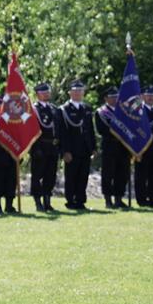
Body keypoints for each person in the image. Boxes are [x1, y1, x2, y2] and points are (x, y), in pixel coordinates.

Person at [60, 81, 97, 210]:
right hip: (72, 149)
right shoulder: (64, 109)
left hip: (85, 148)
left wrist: (93, 147)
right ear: (69, 93)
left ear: (83, 93)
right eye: (75, 91)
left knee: (83, 176)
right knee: (71, 176)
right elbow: (62, 132)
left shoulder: (87, 108)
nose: (77, 93)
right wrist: (64, 151)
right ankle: (70, 201)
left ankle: (80, 201)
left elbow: (90, 129)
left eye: (80, 91)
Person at [30, 83, 62, 211]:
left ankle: (47, 200)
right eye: (43, 92)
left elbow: (59, 129)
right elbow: (31, 130)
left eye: (47, 92)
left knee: (50, 175)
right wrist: (35, 148)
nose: (46, 94)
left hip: (53, 147)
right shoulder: (33, 109)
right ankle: (38, 202)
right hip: (41, 146)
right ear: (37, 94)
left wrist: (60, 146)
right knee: (37, 175)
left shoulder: (55, 109)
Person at [97, 87, 131, 208]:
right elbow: (101, 129)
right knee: (108, 174)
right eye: (112, 97)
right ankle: (108, 200)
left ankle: (118, 198)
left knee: (122, 174)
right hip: (109, 146)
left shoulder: (124, 112)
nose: (115, 99)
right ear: (106, 98)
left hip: (123, 147)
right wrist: (117, 133)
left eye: (116, 97)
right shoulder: (101, 112)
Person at [135, 84, 153, 207]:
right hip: (142, 149)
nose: (151, 98)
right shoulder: (138, 111)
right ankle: (142, 200)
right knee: (142, 176)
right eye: (148, 95)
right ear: (142, 96)